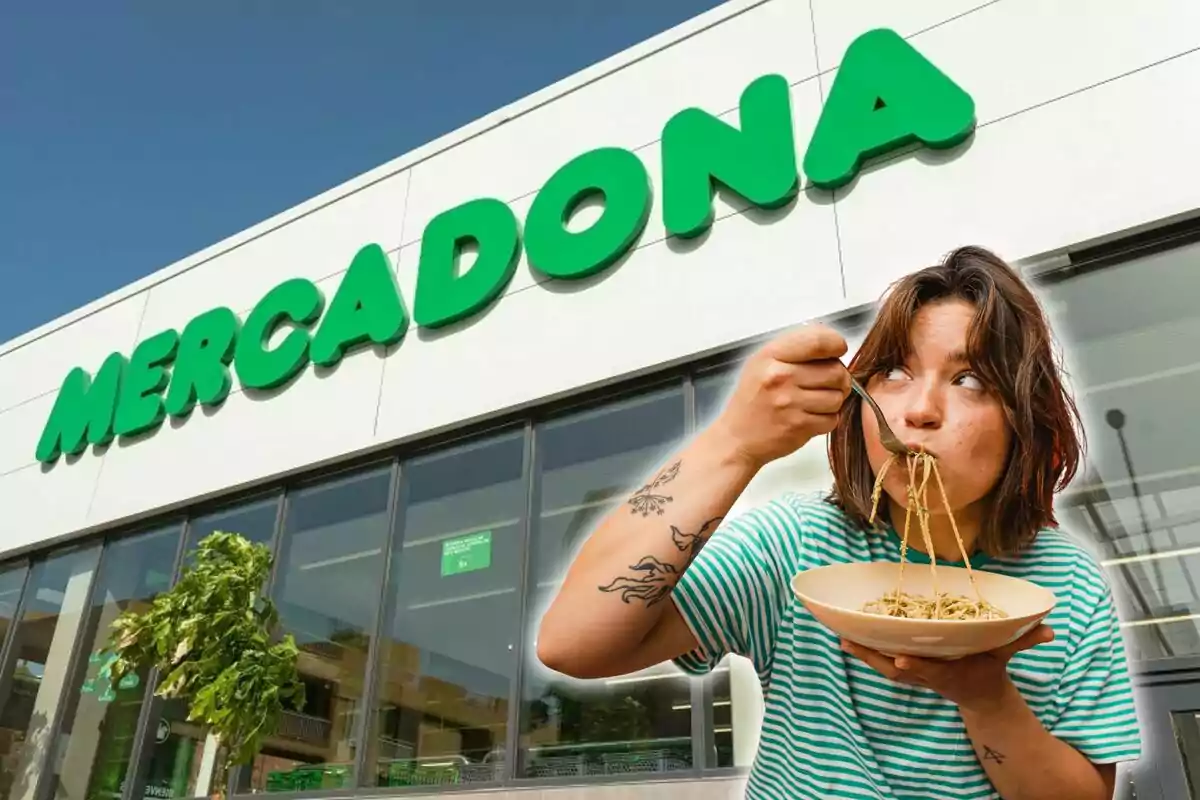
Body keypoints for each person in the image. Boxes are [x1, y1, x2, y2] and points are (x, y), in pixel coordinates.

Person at [536, 246, 1142, 800]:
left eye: (970, 380)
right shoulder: (795, 542)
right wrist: (734, 444)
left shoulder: (1066, 584)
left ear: (1024, 420)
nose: (920, 410)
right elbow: (571, 645)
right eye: (896, 374)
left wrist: (986, 697)